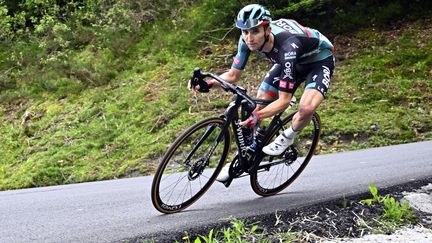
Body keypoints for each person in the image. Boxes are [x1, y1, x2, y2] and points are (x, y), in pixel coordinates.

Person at [188, 4, 335, 182]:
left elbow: (283, 100)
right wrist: (208, 84)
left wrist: (258, 116)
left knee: (306, 108)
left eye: (255, 31)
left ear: (267, 29)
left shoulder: (288, 46)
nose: (249, 38)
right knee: (259, 103)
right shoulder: (246, 41)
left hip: (318, 61)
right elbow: (233, 75)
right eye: (245, 32)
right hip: (288, 62)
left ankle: (287, 137)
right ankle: (246, 155)